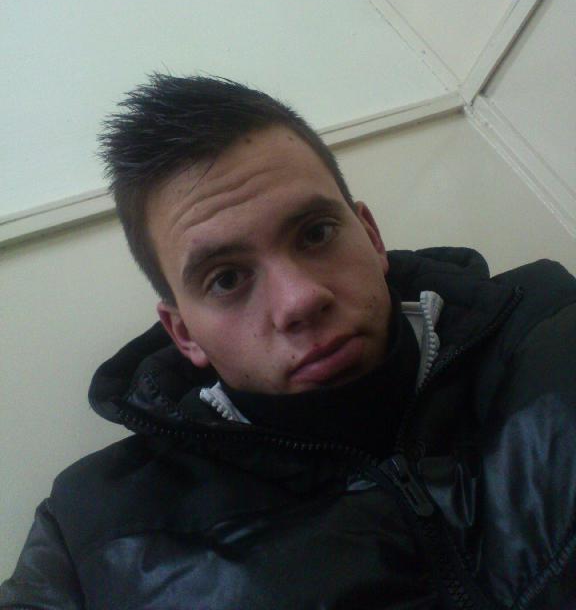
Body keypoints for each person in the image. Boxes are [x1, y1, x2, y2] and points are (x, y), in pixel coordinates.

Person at [1, 75, 575, 609]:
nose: (299, 300)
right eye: (227, 278)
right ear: (184, 333)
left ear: (371, 237)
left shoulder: (555, 327)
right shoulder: (88, 535)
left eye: (316, 234)